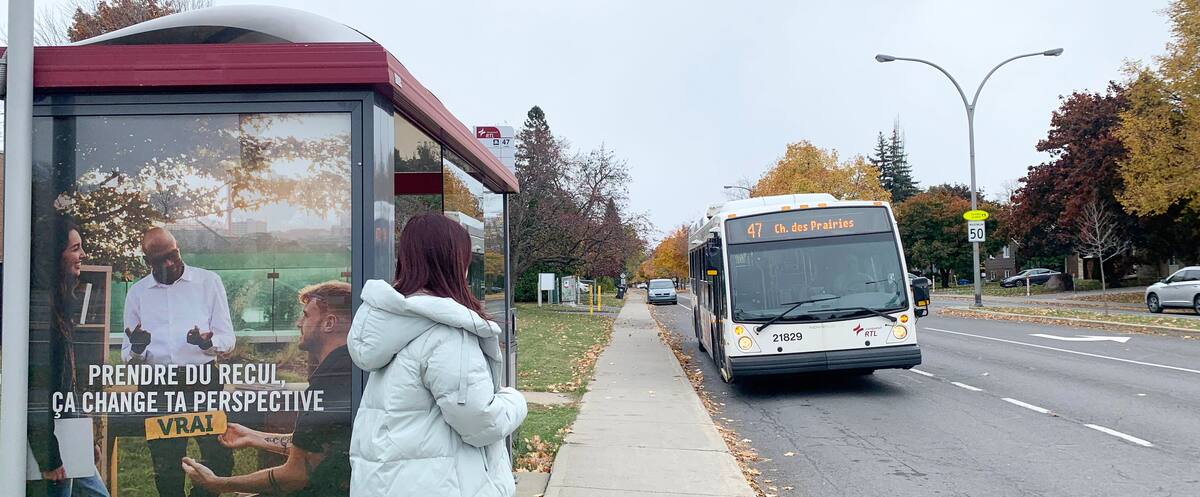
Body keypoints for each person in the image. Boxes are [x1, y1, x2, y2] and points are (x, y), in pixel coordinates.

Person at [348, 213, 527, 497]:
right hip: (442, 484)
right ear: (453, 264)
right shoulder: (447, 334)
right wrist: (515, 401)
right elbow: (478, 420)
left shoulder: (390, 324)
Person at [182, 281, 353, 496]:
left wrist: (218, 483)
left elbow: (297, 474)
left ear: (329, 323)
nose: (299, 323)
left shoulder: (331, 380)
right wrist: (254, 436)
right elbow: (317, 448)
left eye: (306, 316)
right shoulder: (347, 368)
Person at [120, 227, 235, 497]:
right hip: (158, 385)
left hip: (202, 382)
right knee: (166, 466)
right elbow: (127, 355)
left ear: (178, 249)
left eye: (173, 255)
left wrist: (207, 343)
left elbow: (228, 338)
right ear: (147, 262)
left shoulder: (208, 282)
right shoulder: (137, 293)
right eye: (161, 260)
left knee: (219, 458)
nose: (169, 263)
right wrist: (137, 348)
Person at [28, 216, 112, 497]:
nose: (82, 255)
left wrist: (84, 442)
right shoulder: (39, 310)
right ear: (55, 256)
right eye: (75, 248)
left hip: (66, 432)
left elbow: (66, 385)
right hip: (51, 442)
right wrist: (49, 457)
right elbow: (37, 392)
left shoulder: (57, 306)